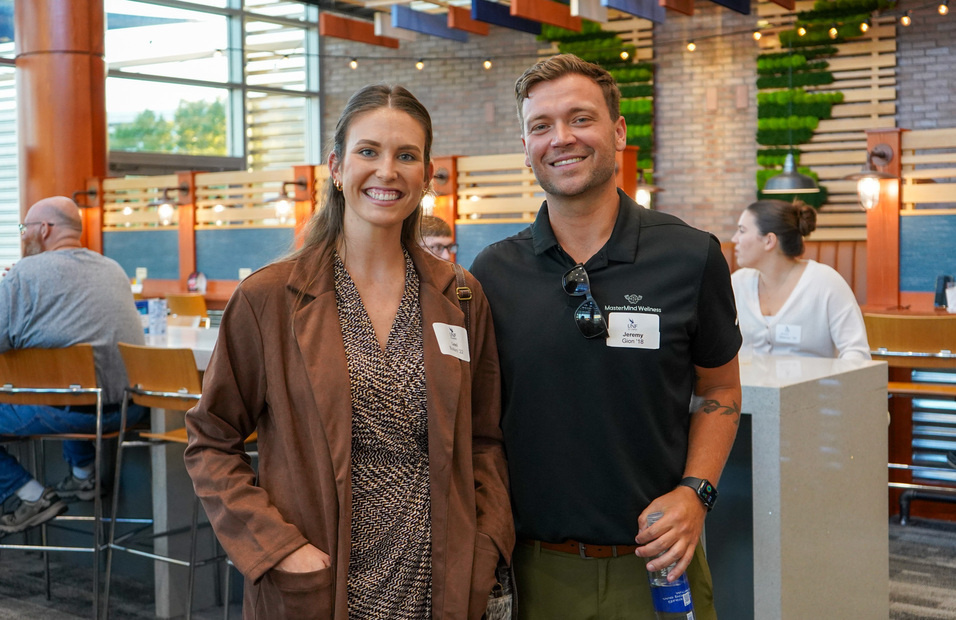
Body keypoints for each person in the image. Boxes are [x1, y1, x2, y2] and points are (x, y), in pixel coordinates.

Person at [184, 84, 513, 620]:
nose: (387, 170)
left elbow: (485, 441)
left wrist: (485, 544)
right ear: (336, 167)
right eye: (369, 151)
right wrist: (277, 549)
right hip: (319, 578)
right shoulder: (269, 298)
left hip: (439, 584)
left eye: (406, 156)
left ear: (426, 176)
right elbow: (210, 440)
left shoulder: (460, 295)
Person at [470, 54, 742, 619]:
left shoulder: (691, 256)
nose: (561, 138)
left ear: (617, 131)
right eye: (540, 126)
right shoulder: (492, 274)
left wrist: (698, 492)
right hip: (532, 568)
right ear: (525, 146)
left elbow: (721, 390)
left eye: (580, 118)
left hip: (657, 565)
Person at [0, 196, 146, 534]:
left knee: (59, 392)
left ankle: (31, 495)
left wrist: (13, 287)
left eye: (25, 229)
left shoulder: (26, 273)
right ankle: (83, 476)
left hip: (66, 413)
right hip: (127, 409)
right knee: (73, 380)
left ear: (44, 229)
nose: (23, 236)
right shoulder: (112, 268)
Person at [731, 199, 871, 360]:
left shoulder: (826, 283)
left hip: (816, 385)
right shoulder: (737, 284)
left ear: (769, 240)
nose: (734, 239)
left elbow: (856, 352)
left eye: (742, 231)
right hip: (749, 385)